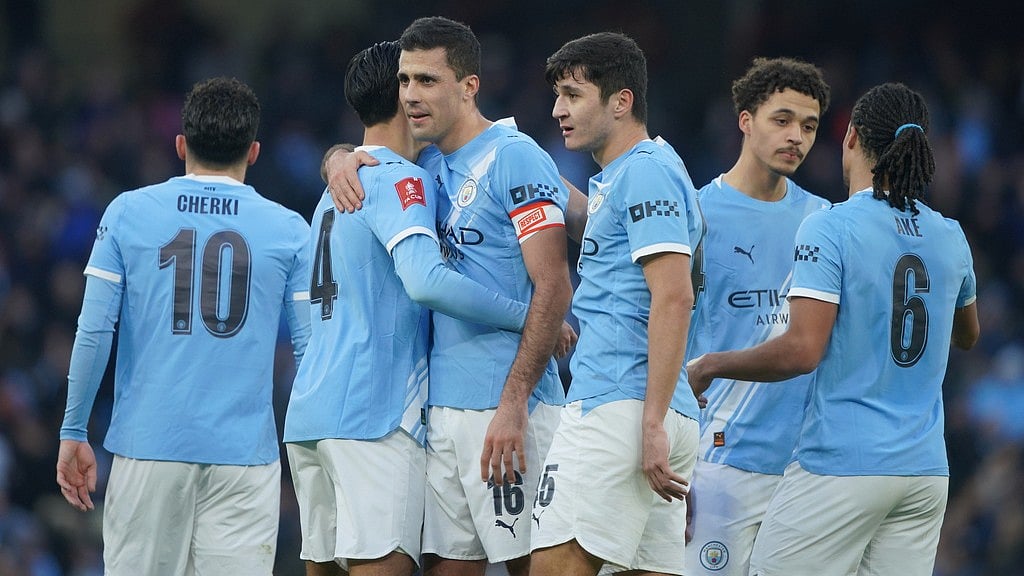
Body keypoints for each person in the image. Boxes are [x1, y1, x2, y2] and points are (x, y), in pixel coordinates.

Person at [687, 82, 980, 576]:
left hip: (843, 461)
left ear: (851, 139)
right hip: (924, 472)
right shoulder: (950, 234)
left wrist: (712, 365)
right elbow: (967, 335)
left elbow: (803, 350)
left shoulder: (832, 226)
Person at [283, 40, 547, 576]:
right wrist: (531, 316)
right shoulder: (401, 179)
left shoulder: (335, 190)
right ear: (401, 101)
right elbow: (427, 281)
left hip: (310, 413)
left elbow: (302, 313)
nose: (417, 94)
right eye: (409, 83)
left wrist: (334, 156)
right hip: (374, 415)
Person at [54, 77, 312, 575]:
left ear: (180, 145)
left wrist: (73, 428)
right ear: (254, 151)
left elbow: (93, 330)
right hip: (245, 458)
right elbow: (309, 350)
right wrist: (310, 453)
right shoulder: (288, 229)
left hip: (149, 449)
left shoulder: (128, 212)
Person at [529, 32, 703, 576]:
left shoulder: (645, 172)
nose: (558, 110)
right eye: (558, 95)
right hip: (659, 410)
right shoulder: (642, 171)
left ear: (621, 101)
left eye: (573, 94)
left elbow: (674, 298)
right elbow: (599, 225)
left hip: (620, 406)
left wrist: (648, 425)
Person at [683, 57, 831, 576]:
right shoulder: (695, 215)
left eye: (809, 126)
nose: (797, 137)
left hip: (806, 469)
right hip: (717, 462)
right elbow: (667, 338)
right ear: (745, 121)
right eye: (782, 119)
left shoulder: (826, 222)